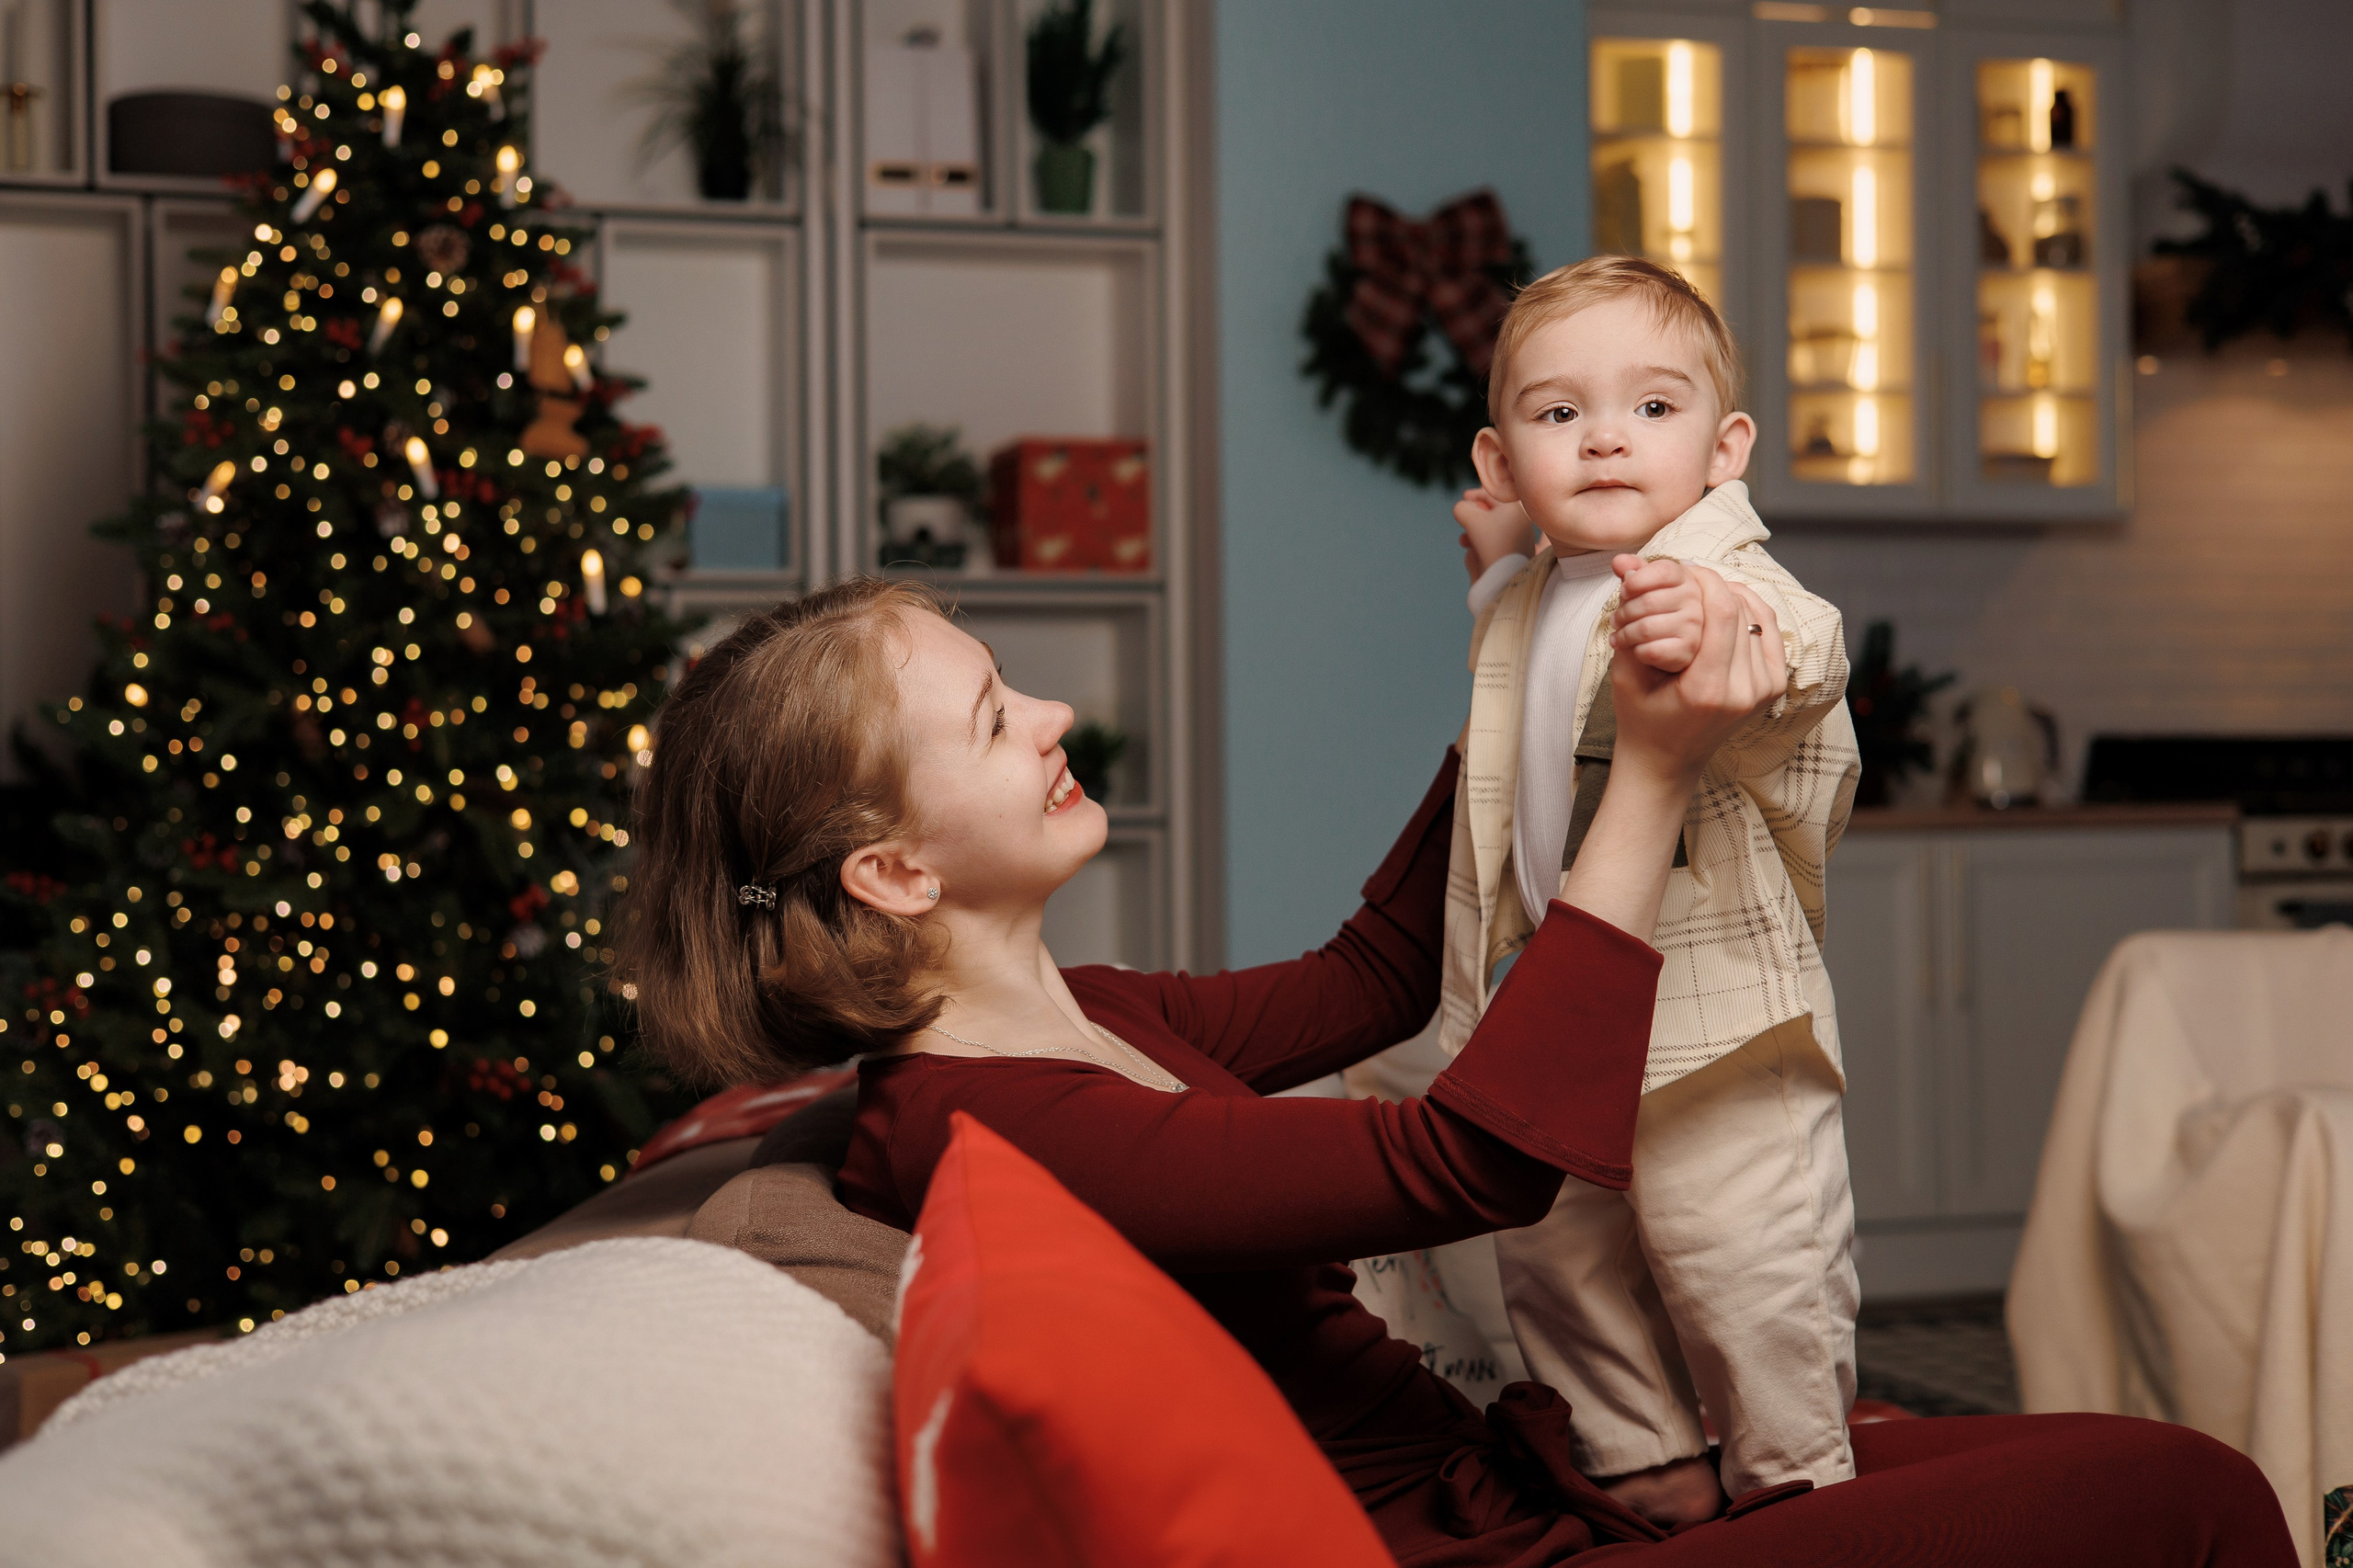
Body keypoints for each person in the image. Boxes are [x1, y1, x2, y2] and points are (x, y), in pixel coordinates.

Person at [618, 578, 2292, 1566]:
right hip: (1502, 1556)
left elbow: (1377, 974)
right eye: (993, 718)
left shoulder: (1087, 1014)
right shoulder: (1000, 1122)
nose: (1054, 710)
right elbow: (1465, 1163)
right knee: (2192, 1498)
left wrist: (1525, 640)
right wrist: (1644, 782)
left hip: (1554, 1483)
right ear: (892, 876)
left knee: (2151, 1481)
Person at [1433, 255, 1862, 1527]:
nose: (1608, 436)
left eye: (1654, 409)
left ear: (1727, 449)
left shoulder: (1711, 572)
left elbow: (1808, 643)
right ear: (1504, 461)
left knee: (1750, 1256)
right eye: (1559, 414)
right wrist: (1499, 549)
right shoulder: (1529, 587)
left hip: (1718, 1025)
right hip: (1562, 1009)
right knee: (1548, 1250)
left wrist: (1721, 627)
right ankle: (1648, 1465)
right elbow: (1518, 640)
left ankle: (1797, 1481)